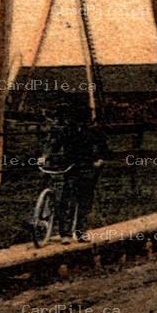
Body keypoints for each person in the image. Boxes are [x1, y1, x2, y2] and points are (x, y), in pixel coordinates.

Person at [37, 98, 107, 241]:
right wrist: (44, 157)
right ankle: (66, 234)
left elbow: (103, 149)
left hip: (88, 167)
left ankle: (81, 232)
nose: (80, 122)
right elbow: (55, 145)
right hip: (72, 167)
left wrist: (99, 160)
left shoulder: (94, 132)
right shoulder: (68, 131)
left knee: (84, 201)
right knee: (68, 199)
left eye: (83, 118)